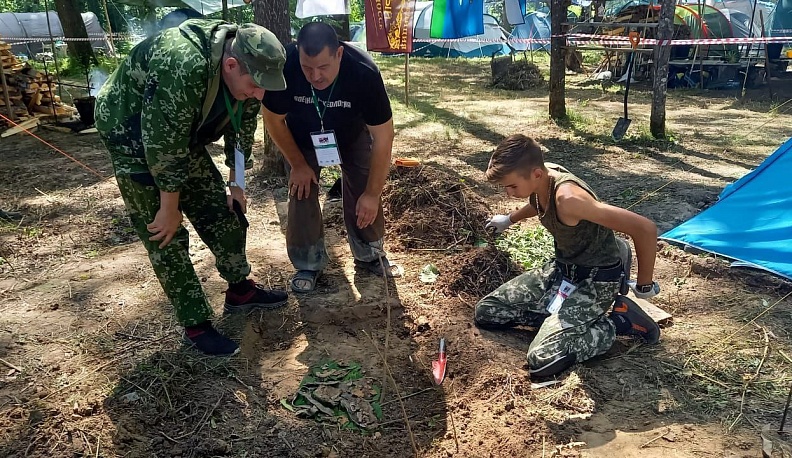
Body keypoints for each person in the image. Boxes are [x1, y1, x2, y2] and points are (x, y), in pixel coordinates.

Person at [95, 19, 289, 357]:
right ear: (230, 65)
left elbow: (243, 127)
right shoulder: (183, 63)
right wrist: (170, 208)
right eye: (256, 85)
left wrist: (236, 182)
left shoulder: (250, 76)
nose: (260, 93)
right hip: (133, 139)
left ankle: (240, 289)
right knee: (165, 234)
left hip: (182, 136)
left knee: (224, 212)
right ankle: (196, 324)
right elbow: (162, 143)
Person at [478, 134, 662, 378]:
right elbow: (538, 200)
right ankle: (561, 320)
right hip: (563, 271)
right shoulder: (543, 175)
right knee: (488, 311)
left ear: (536, 173)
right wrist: (510, 219)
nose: (509, 193)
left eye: (512, 186)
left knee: (542, 359)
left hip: (595, 281)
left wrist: (645, 283)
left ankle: (616, 323)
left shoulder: (570, 200)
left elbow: (644, 228)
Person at [262, 22, 401, 294]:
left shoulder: (364, 72)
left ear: (339, 54)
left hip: (352, 133)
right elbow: (273, 120)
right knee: (301, 189)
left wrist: (372, 194)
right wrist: (298, 165)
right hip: (303, 136)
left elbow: (384, 137)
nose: (315, 76)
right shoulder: (286, 66)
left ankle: (370, 253)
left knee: (364, 188)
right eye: (307, 68)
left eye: (323, 67)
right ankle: (307, 261)